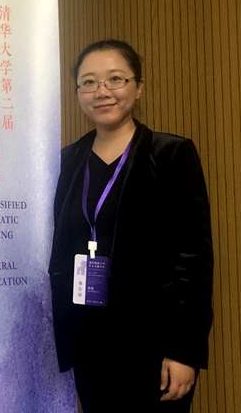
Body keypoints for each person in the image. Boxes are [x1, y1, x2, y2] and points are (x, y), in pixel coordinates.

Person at [49, 39, 213, 412]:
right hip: (89, 339)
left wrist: (183, 349)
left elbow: (193, 259)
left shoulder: (170, 155)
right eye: (88, 82)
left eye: (115, 79)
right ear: (77, 92)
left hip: (154, 342)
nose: (102, 91)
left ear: (138, 88)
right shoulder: (67, 162)